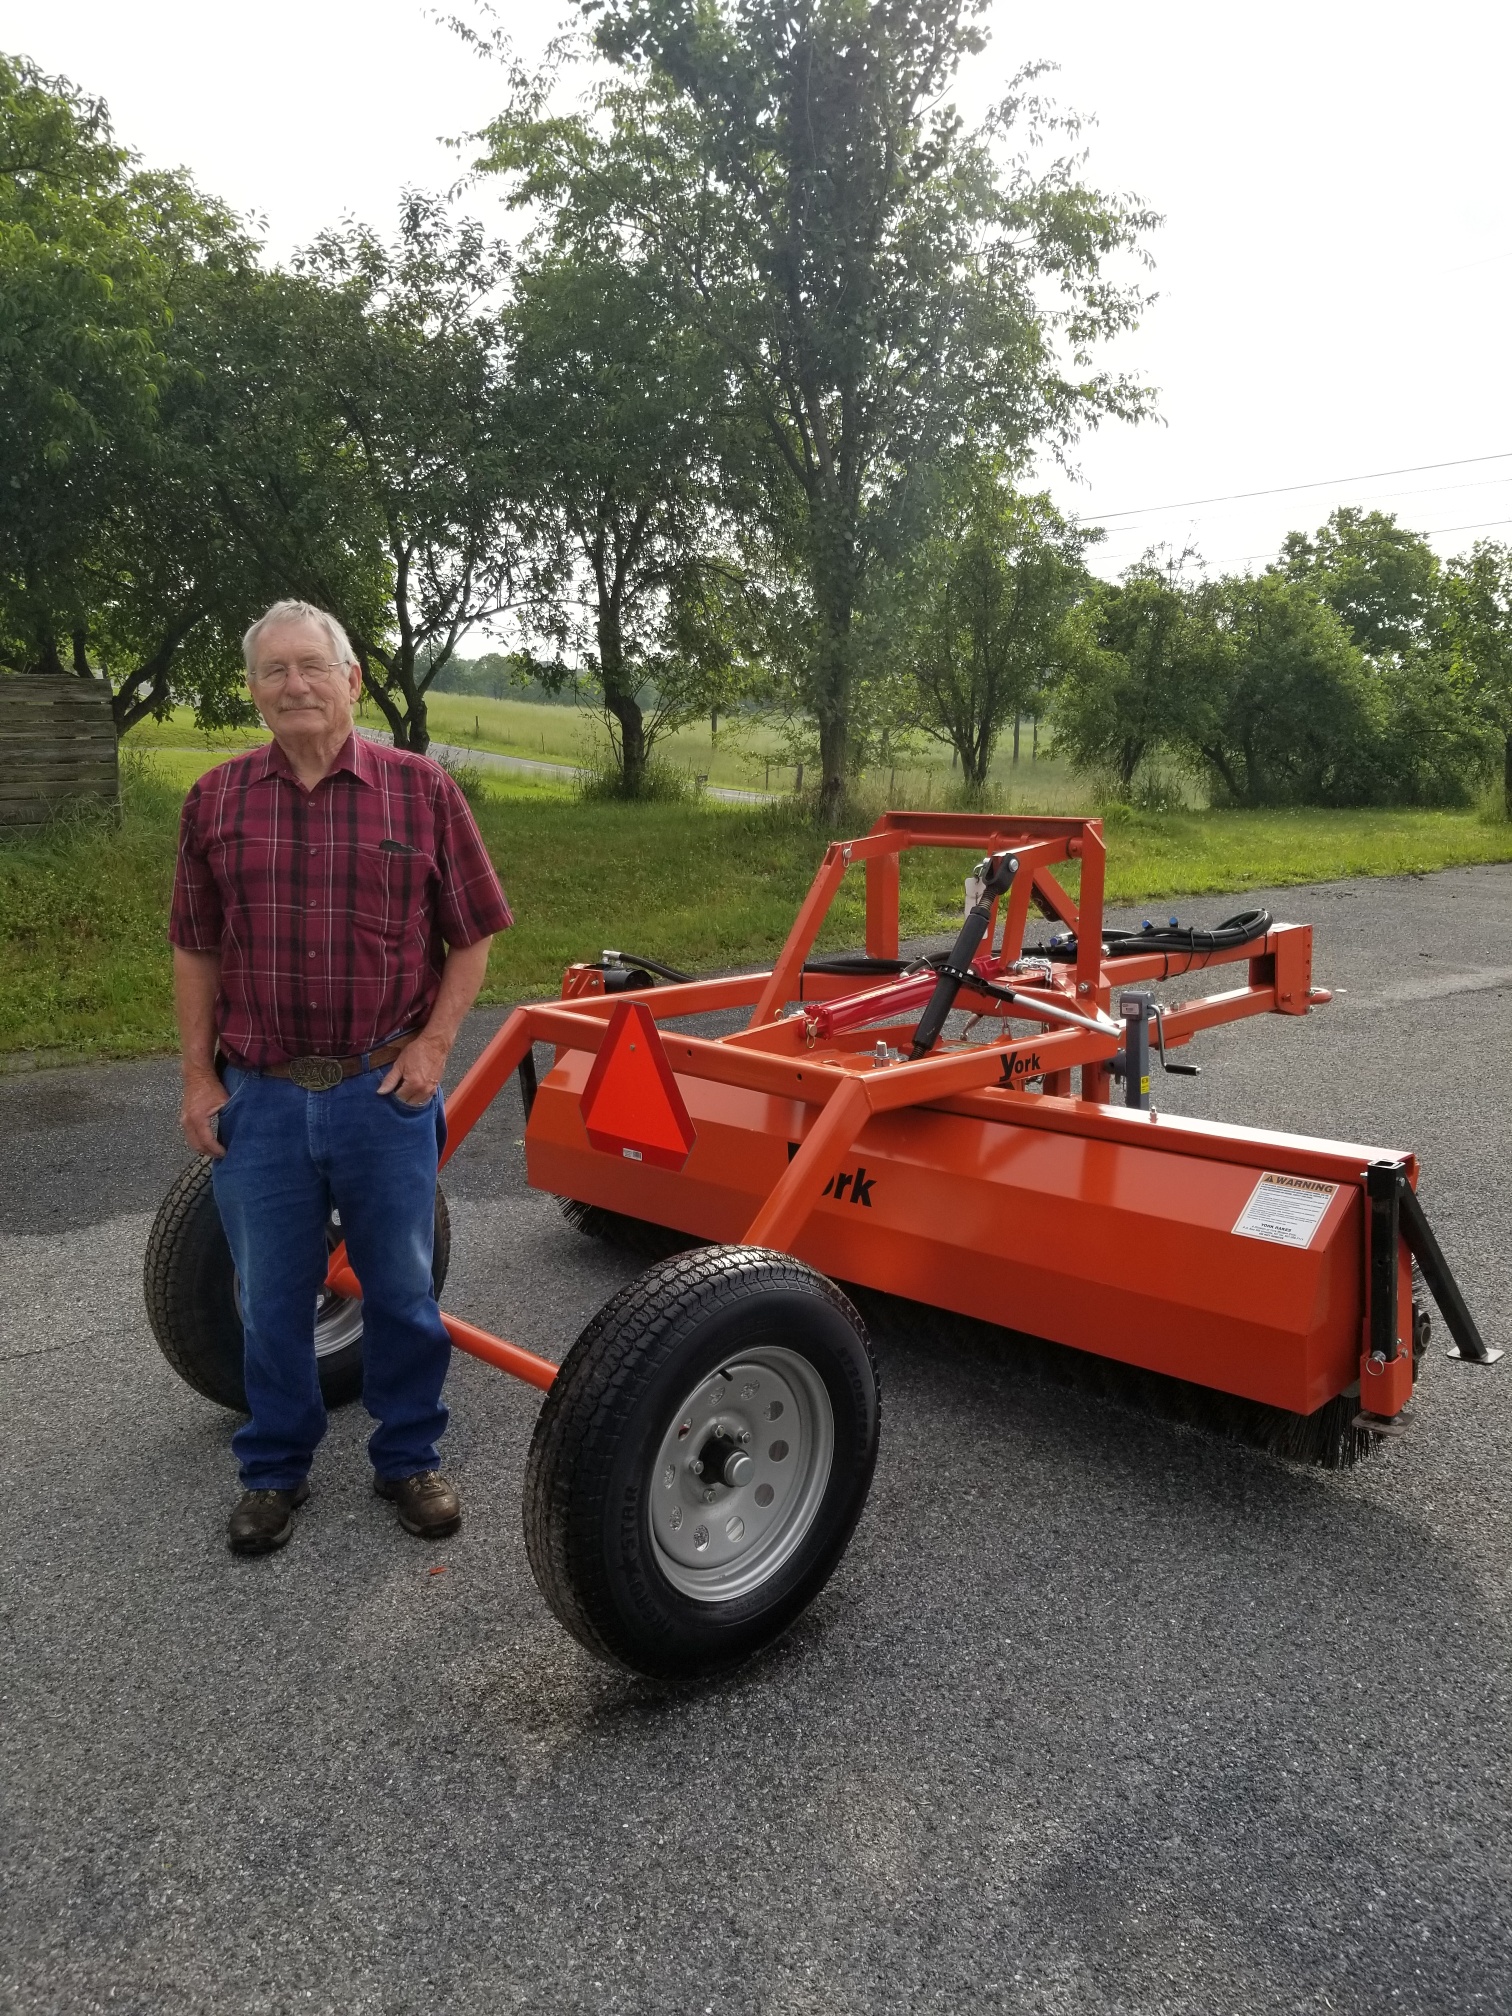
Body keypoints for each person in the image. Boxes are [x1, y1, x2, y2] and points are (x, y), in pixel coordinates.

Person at [169, 600, 512, 1556]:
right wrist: (199, 1079)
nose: (293, 686)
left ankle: (408, 1457)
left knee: (400, 1291)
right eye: (273, 671)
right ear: (253, 690)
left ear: (352, 680)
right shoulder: (216, 800)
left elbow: (473, 933)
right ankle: (274, 1470)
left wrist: (436, 1048)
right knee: (267, 1298)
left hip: (381, 1093)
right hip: (263, 1098)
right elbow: (195, 950)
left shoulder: (421, 793)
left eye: (311, 667)